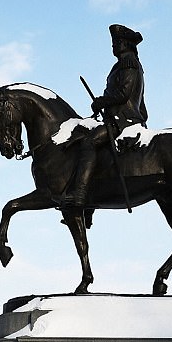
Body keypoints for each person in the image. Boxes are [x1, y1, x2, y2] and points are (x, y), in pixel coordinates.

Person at [61, 23, 148, 210]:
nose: (114, 46)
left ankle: (80, 196)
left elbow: (124, 95)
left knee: (89, 143)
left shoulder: (128, 63)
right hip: (120, 117)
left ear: (127, 44)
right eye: (113, 43)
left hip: (124, 120)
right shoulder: (125, 65)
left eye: (117, 42)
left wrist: (102, 101)